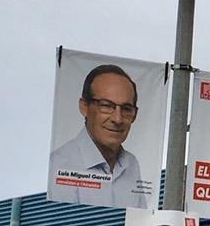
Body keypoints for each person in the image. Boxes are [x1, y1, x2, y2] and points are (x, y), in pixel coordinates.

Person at [49, 63, 155, 209]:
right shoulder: (60, 164)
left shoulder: (131, 164)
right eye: (106, 106)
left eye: (126, 109)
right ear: (84, 107)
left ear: (134, 115)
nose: (117, 119)